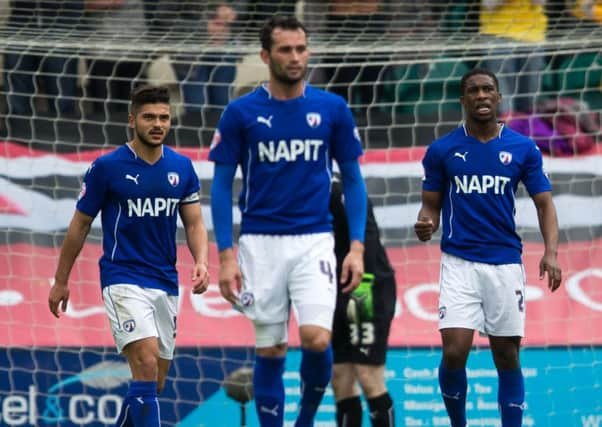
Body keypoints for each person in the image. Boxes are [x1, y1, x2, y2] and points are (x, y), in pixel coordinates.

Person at [209, 15, 368, 427]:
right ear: (266, 55)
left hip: (315, 239)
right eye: (285, 49)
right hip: (259, 242)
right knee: (271, 349)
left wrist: (356, 247)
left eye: (301, 49)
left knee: (317, 338)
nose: (295, 57)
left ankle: (305, 422)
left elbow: (352, 179)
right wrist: (225, 255)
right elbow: (221, 186)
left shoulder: (332, 108)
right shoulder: (240, 113)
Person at [48, 85, 210, 427]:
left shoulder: (182, 167)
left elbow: (194, 223)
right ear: (132, 120)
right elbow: (79, 225)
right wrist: (61, 280)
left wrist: (201, 261)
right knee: (147, 365)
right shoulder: (107, 167)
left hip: (165, 282)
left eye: (164, 117)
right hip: (122, 278)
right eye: (149, 117)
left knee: (153, 382)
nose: (157, 124)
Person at [414, 68, 562, 427]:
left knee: (507, 356)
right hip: (459, 262)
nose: (481, 95)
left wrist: (551, 252)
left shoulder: (522, 148)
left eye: (487, 90)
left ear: (498, 97)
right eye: (473, 90)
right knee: (454, 351)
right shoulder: (442, 150)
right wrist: (425, 224)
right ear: (463, 100)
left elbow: (544, 203)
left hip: (504, 264)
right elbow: (430, 205)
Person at [329, 177, 396, 427]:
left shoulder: (342, 189)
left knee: (368, 376)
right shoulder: (302, 186)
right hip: (332, 288)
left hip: (366, 287)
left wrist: (360, 290)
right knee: (340, 377)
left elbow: (365, 240)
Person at [3, 1, 84, 117]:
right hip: (21, 20)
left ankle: (63, 130)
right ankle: (18, 129)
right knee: (17, 92)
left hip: (62, 22)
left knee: (61, 95)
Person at [478, 0, 548, 114]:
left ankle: (527, 128)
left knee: (530, 101)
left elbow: (540, 2)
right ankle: (507, 129)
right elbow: (490, 4)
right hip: (497, 34)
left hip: (533, 35)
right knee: (503, 103)